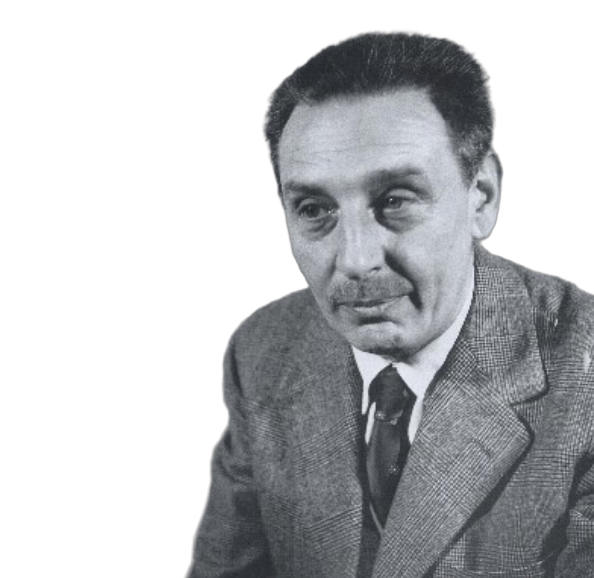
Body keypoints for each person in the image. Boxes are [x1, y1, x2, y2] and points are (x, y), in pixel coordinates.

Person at [188, 31, 593, 577]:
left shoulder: (587, 377)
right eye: (315, 209)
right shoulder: (263, 351)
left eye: (395, 200)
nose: (356, 260)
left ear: (482, 197)